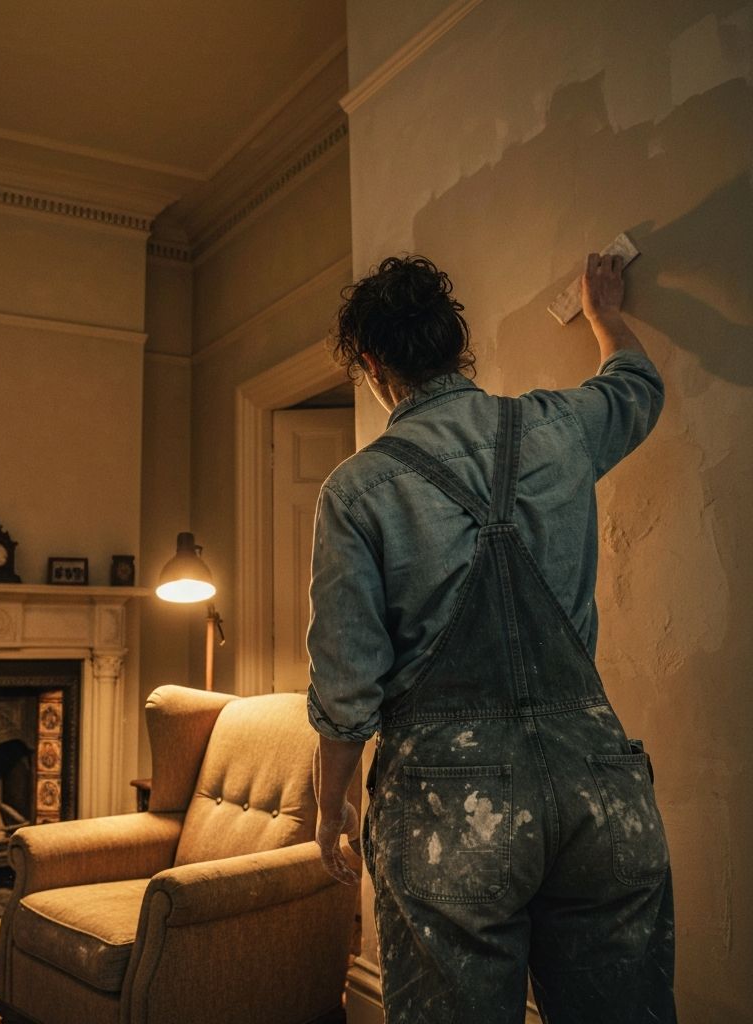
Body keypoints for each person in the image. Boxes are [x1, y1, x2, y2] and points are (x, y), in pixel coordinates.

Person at [308, 253, 676, 1023]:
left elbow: (347, 692)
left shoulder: (357, 489)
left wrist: (329, 806)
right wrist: (605, 315)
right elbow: (637, 386)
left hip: (449, 811)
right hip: (600, 787)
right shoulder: (561, 426)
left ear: (373, 365)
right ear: (456, 345)